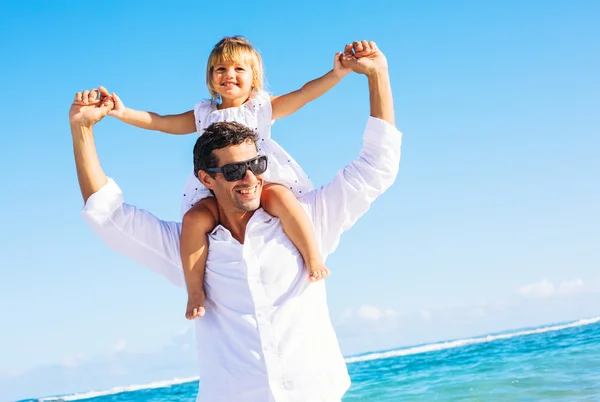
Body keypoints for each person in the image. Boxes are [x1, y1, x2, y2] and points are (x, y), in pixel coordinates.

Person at [70, 40, 401, 402]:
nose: (249, 178)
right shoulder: (191, 248)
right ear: (206, 179)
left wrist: (376, 75)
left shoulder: (307, 218)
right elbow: (109, 217)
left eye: (255, 165)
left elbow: (376, 166)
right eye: (231, 170)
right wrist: (83, 130)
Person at [107, 36, 351, 319]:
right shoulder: (203, 114)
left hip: (258, 181)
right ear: (211, 78)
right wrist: (123, 113)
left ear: (254, 77)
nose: (229, 75)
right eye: (220, 69)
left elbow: (304, 93)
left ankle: (312, 256)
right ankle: (195, 291)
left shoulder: (260, 108)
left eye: (239, 69)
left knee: (281, 197)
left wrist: (336, 73)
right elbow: (162, 122)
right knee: (194, 220)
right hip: (217, 190)